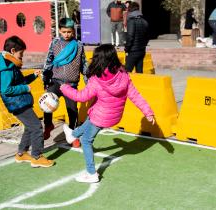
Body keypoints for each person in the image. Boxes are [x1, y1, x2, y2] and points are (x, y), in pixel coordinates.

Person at [60, 44, 155, 183]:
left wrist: (64, 88)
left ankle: (91, 173)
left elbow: (81, 97)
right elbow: (136, 95)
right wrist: (148, 112)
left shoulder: (96, 79)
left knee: (86, 140)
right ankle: (72, 135)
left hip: (101, 116)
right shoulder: (123, 74)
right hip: (114, 116)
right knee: (90, 119)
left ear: (99, 60)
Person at [0, 36, 54, 168]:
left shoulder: (10, 64)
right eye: (21, 54)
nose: (22, 57)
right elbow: (6, 89)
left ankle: (22, 153)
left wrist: (33, 76)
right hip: (17, 103)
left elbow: (19, 81)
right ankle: (37, 156)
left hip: (20, 101)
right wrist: (25, 88)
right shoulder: (6, 68)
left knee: (30, 127)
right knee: (37, 127)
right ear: (12, 51)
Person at [42, 18, 88, 148]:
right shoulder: (55, 43)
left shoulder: (79, 45)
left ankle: (73, 135)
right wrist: (45, 78)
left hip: (71, 85)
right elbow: (49, 60)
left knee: (72, 110)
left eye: (69, 32)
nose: (67, 34)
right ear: (59, 31)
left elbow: (84, 64)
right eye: (64, 32)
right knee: (47, 101)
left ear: (73, 31)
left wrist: (88, 80)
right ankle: (48, 125)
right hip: (55, 82)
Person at [124, 2, 149, 73]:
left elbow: (130, 36)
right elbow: (147, 37)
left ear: (130, 10)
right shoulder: (144, 21)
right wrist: (143, 45)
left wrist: (127, 48)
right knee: (139, 72)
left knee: (126, 73)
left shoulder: (131, 21)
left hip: (133, 51)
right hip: (142, 50)